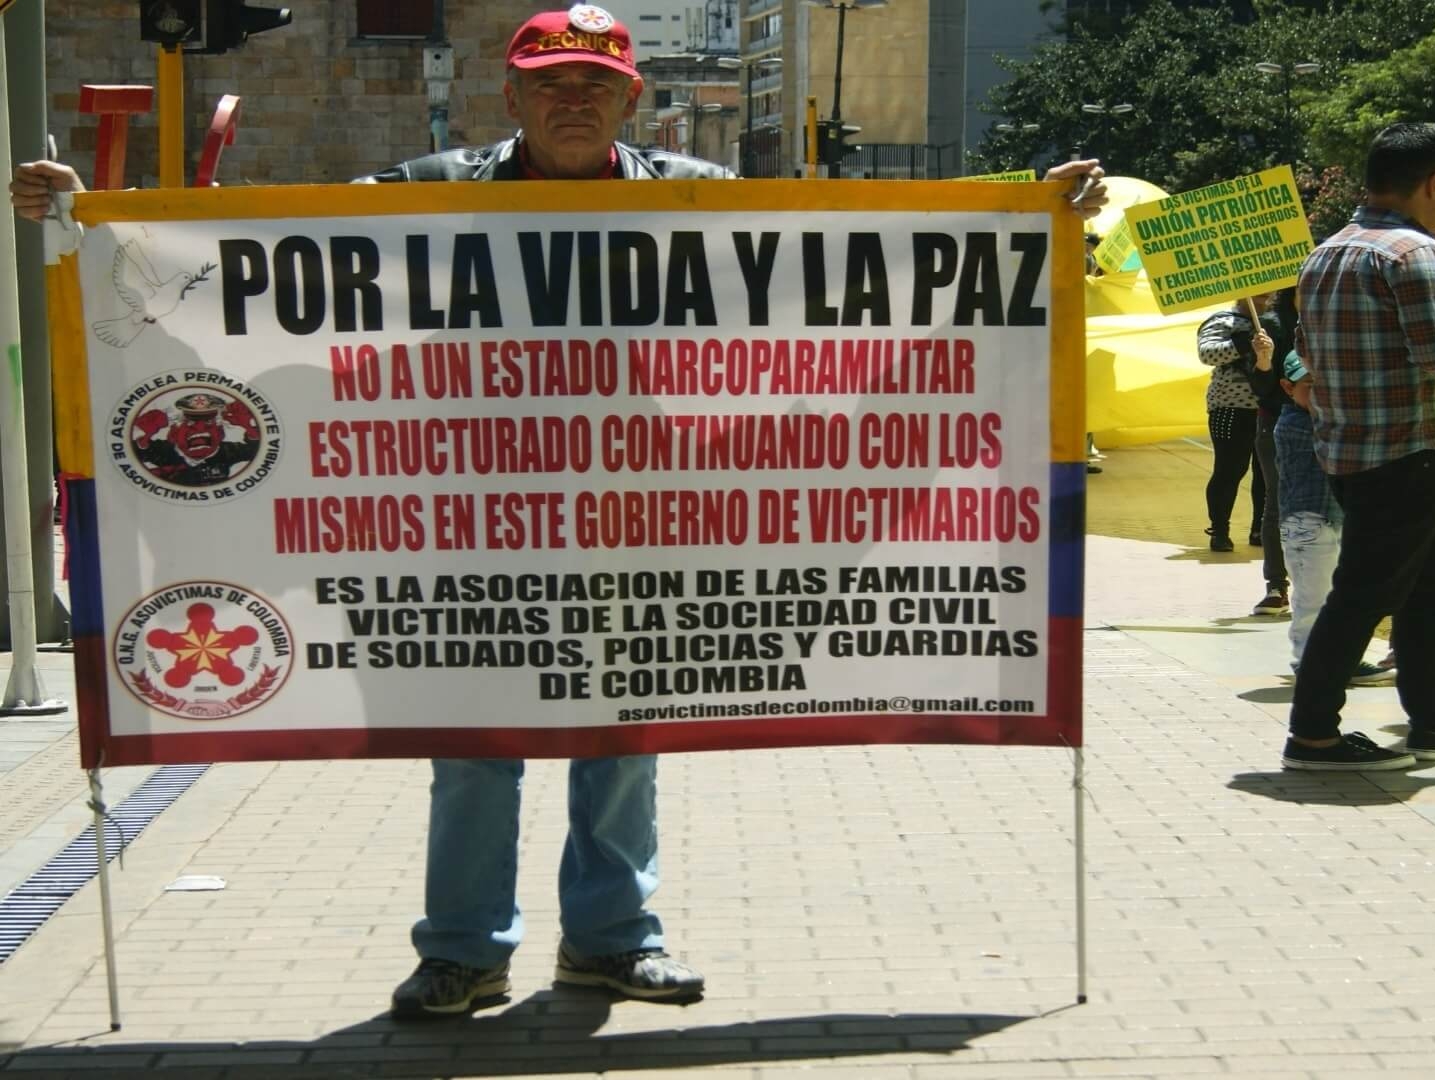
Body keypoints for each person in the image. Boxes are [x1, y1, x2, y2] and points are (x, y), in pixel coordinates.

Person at [12, 2, 1111, 1018]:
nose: (573, 101)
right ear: (512, 97)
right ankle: (462, 952)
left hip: (641, 526)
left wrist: (1041, 215)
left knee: (624, 735)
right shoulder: (425, 190)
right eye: (550, 84)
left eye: (595, 84)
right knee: (469, 740)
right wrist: (86, 219)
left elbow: (873, 254)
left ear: (633, 98)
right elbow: (249, 254)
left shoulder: (701, 195)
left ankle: (612, 941)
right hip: (465, 524)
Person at [1279, 122, 1435, 771]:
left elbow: (1308, 350)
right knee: (1364, 594)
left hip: (1348, 449)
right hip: (1406, 452)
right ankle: (1313, 734)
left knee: (1433, 586)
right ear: (1434, 182)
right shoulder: (1416, 253)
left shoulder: (1327, 252)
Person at [1271, 348, 1394, 686]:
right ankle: (1309, 662)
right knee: (1312, 599)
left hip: (1332, 521)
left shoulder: (1324, 421)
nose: (1321, 393)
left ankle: (1339, 659)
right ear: (1288, 387)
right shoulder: (1295, 425)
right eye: (1311, 385)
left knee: (1334, 596)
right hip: (1307, 525)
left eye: (1328, 384)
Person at [1196, 295, 1273, 552]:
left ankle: (1260, 529)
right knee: (1229, 470)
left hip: (1268, 407)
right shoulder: (1223, 321)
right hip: (1230, 408)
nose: (1265, 294)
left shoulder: (1279, 320)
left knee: (1266, 473)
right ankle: (1219, 529)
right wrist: (1242, 344)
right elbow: (1207, 353)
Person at [1245, 288, 1297, 613]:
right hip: (1276, 422)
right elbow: (1262, 389)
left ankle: (1324, 584)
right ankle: (1277, 585)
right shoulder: (1271, 325)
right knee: (1276, 502)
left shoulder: (1331, 318)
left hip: (1329, 423)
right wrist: (1264, 361)